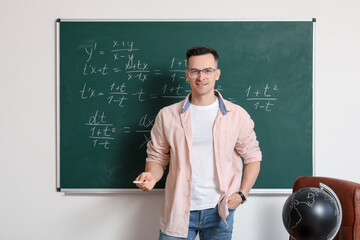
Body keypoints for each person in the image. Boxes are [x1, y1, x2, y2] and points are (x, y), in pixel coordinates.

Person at [134, 46, 262, 240]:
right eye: (195, 71)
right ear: (187, 75)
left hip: (220, 211)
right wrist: (151, 175)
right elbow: (157, 158)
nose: (201, 77)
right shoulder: (168, 116)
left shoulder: (236, 115)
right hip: (178, 210)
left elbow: (253, 157)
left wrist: (242, 195)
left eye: (207, 70)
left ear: (217, 74)